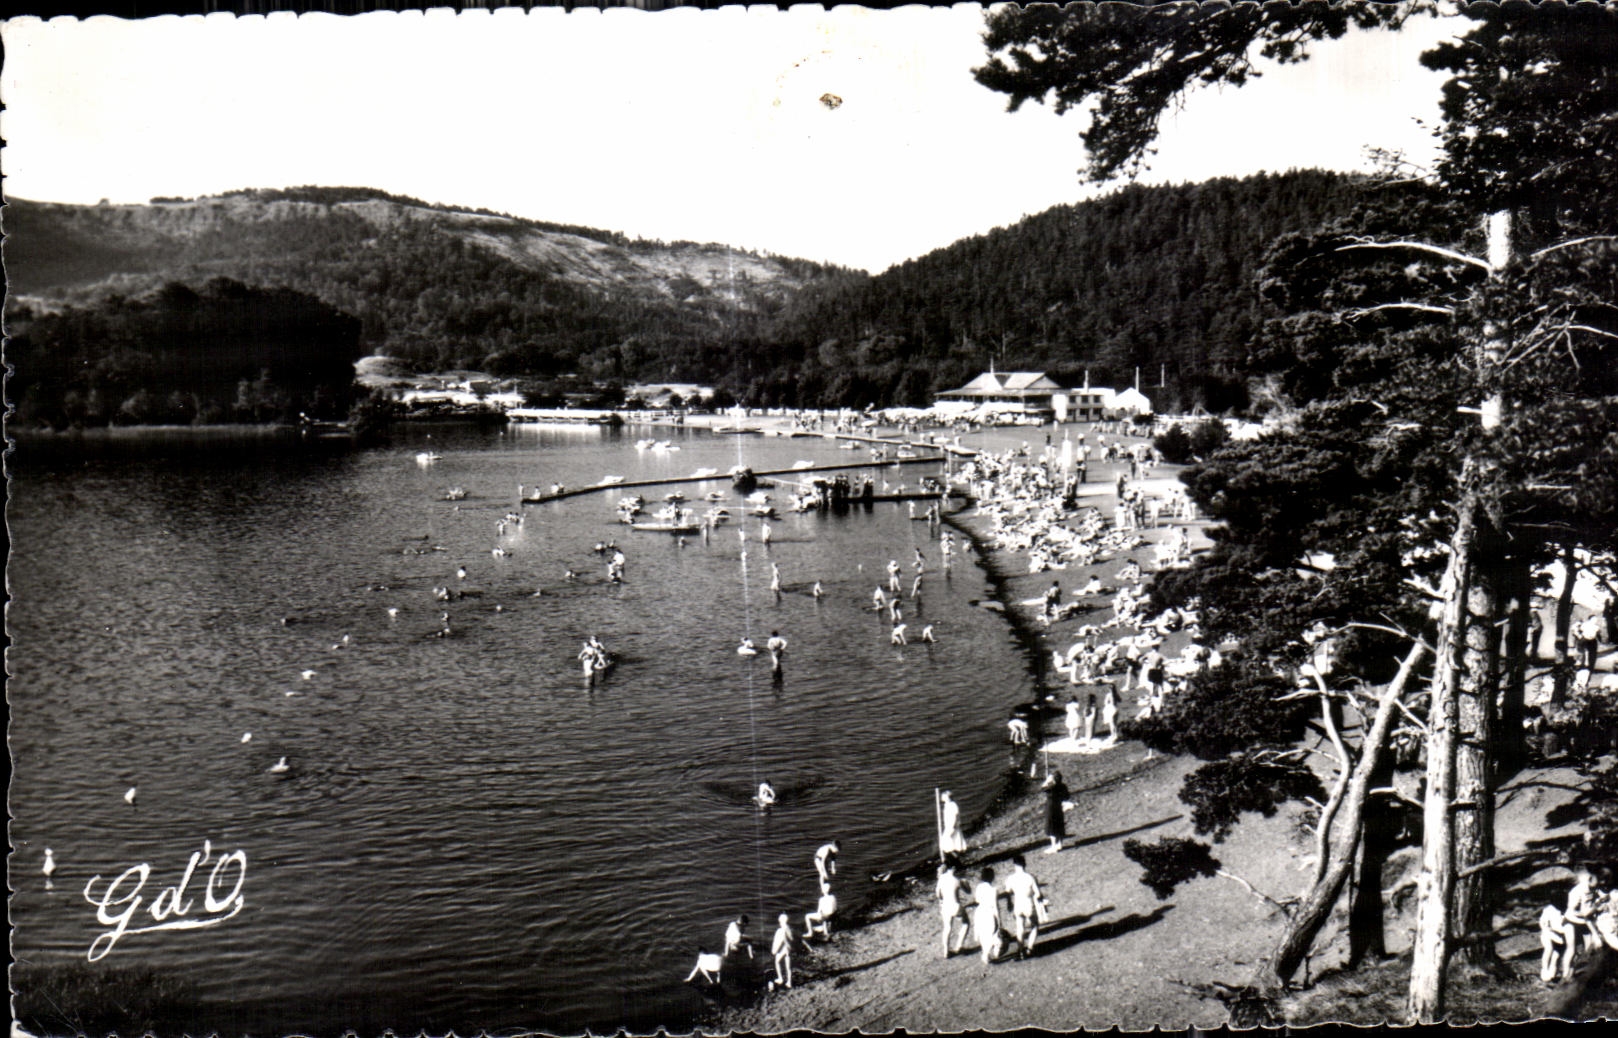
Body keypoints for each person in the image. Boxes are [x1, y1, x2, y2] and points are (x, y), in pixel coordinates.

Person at [1005, 855, 1047, 958]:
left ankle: (1020, 949)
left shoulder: (1010, 878)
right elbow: (1038, 894)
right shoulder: (1030, 877)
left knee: (1020, 927)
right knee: (1034, 926)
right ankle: (1029, 948)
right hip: (1028, 904)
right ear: (1024, 864)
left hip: (1018, 904)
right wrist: (1041, 902)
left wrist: (1009, 903)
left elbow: (1008, 893)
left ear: (1014, 865)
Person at [970, 867, 1003, 965]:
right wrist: (999, 920)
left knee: (983, 934)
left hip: (979, 911)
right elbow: (995, 906)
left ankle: (986, 954)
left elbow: (977, 900)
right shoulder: (993, 890)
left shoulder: (979, 887)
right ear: (992, 877)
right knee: (992, 933)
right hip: (989, 912)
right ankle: (988, 953)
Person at [936, 863, 968, 957]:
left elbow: (938, 894)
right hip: (955, 906)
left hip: (945, 906)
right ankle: (959, 946)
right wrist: (965, 883)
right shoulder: (957, 880)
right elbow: (968, 891)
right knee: (966, 923)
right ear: (953, 868)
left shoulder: (941, 878)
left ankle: (946, 951)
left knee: (947, 928)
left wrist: (941, 899)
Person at [1043, 770, 1069, 854]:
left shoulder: (1051, 787)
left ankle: (1053, 846)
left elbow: (1042, 788)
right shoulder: (1063, 786)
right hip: (1059, 807)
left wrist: (1047, 780)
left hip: (1051, 808)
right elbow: (1067, 797)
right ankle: (1059, 844)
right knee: (1059, 825)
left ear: (1053, 779)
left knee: (1051, 827)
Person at [771, 912, 794, 989]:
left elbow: (781, 941)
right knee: (788, 967)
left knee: (777, 962)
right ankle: (789, 982)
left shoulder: (781, 930)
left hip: (783, 948)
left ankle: (780, 978)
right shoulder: (788, 928)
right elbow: (791, 938)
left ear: (781, 921)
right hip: (788, 948)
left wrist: (775, 950)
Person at [939, 790, 966, 857]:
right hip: (949, 826)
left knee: (946, 842)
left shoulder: (952, 805)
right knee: (951, 842)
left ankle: (953, 858)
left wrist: (954, 825)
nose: (942, 797)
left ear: (948, 797)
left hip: (952, 826)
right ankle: (953, 857)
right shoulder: (947, 805)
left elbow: (956, 816)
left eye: (944, 796)